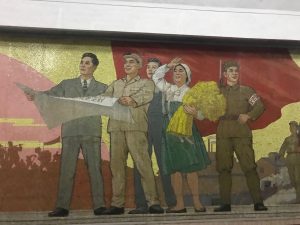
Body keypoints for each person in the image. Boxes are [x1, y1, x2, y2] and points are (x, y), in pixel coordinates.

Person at [26, 52, 107, 217]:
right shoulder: (66, 84)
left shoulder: (103, 87)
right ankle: (62, 207)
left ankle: (99, 205)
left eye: (87, 63)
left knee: (95, 169)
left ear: (94, 67)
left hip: (91, 131)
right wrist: (35, 94)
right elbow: (50, 94)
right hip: (70, 131)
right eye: (81, 62)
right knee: (67, 169)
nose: (83, 65)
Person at [102, 53, 164, 215]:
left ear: (139, 66)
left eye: (132, 62)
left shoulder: (147, 83)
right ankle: (117, 204)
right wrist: (115, 101)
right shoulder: (116, 84)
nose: (127, 65)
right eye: (126, 63)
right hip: (116, 127)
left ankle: (153, 202)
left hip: (136, 127)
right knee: (116, 167)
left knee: (143, 165)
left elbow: (147, 96)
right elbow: (103, 99)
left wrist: (132, 100)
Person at [152, 57, 211, 213]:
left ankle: (197, 203)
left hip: (187, 135)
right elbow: (156, 77)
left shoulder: (192, 93)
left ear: (187, 76)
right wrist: (168, 66)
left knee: (191, 169)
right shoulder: (168, 89)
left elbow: (203, 115)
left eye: (181, 70)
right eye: (175, 70)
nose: (177, 72)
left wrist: (195, 112)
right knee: (175, 170)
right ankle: (180, 204)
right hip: (170, 134)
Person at [214, 60, 267, 212]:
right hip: (223, 131)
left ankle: (258, 202)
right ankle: (225, 203)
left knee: (249, 167)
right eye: (230, 70)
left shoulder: (246, 90)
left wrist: (249, 115)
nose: (234, 73)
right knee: (223, 168)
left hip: (241, 132)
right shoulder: (218, 91)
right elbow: (207, 107)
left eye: (236, 70)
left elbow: (259, 106)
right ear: (225, 74)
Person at [129, 58, 176, 214]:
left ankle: (172, 203)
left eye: (154, 67)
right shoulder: (139, 86)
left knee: (164, 165)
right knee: (140, 165)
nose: (150, 70)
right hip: (142, 128)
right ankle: (141, 204)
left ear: (160, 70)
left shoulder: (165, 87)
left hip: (161, 127)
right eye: (148, 67)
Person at [279, 121, 300, 203]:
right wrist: (281, 156)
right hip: (290, 158)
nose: (291, 129)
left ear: (297, 128)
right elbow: (282, 148)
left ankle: (299, 198)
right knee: (292, 179)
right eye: (290, 127)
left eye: (293, 127)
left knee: (298, 178)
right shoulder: (287, 139)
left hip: (298, 158)